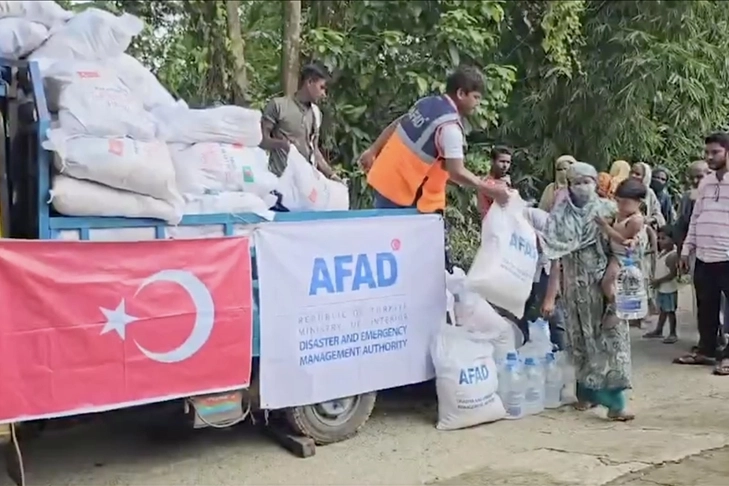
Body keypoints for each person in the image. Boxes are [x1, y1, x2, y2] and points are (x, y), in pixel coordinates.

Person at [541, 162, 633, 421]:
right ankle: (586, 393)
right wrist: (551, 294)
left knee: (607, 341)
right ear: (568, 185)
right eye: (576, 182)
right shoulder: (559, 216)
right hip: (574, 291)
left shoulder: (607, 211)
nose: (582, 186)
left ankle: (615, 403)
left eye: (587, 181)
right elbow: (555, 258)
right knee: (580, 341)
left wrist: (612, 279)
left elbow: (622, 246)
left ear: (596, 183)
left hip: (602, 286)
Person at [358, 66, 510, 213]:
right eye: (475, 97)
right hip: (406, 197)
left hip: (385, 182)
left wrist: (372, 150)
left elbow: (397, 125)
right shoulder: (450, 127)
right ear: (461, 93)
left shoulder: (426, 103)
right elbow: (456, 172)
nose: (477, 104)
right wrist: (489, 189)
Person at [675, 132, 729, 375]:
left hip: (727, 256)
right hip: (705, 257)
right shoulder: (705, 183)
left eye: (715, 152)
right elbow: (695, 219)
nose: (709, 157)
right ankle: (707, 350)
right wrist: (686, 251)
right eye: (707, 152)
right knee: (705, 305)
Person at [260, 64, 340, 181]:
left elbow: (315, 151)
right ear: (309, 82)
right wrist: (281, 144)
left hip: (304, 183)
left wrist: (332, 175)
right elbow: (261, 141)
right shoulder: (278, 106)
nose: (324, 94)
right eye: (321, 87)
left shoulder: (316, 114)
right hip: (279, 180)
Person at [595, 178, 647, 306]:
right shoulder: (621, 213)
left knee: (607, 282)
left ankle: (619, 305)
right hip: (615, 252)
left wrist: (605, 227)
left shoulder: (636, 220)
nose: (620, 206)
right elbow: (613, 221)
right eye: (618, 202)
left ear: (638, 202)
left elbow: (622, 239)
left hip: (624, 257)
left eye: (624, 203)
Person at [519, 207, 566, 351]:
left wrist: (550, 298)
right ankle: (522, 353)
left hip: (545, 269)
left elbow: (555, 262)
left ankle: (562, 354)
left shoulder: (538, 219)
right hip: (522, 273)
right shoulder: (502, 224)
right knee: (518, 314)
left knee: (553, 314)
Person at [644, 226, 679, 343]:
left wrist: (658, 281)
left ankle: (673, 333)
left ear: (672, 240)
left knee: (670, 311)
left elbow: (673, 274)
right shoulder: (664, 252)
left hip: (669, 289)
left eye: (663, 238)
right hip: (663, 288)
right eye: (659, 238)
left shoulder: (672, 255)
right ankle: (659, 330)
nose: (659, 241)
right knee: (663, 310)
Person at [477, 146, 512, 219]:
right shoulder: (488, 183)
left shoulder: (505, 180)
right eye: (502, 161)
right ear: (492, 161)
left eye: (508, 162)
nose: (505, 166)